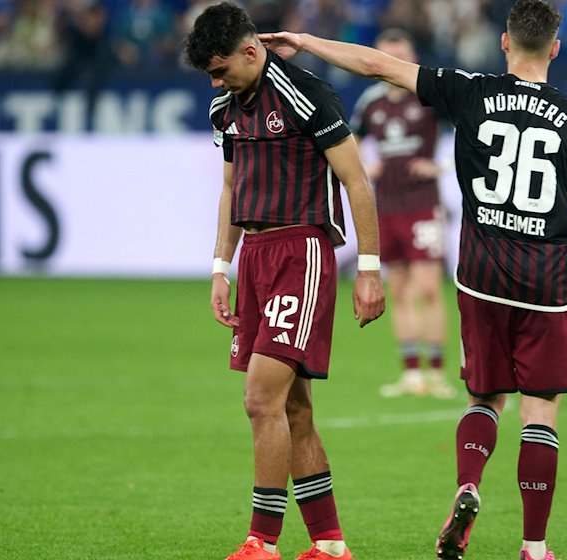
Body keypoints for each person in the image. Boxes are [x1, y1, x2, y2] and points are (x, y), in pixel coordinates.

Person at [260, 1, 567, 558]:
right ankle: (535, 547)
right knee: (540, 410)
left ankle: (468, 485)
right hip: (547, 282)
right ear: (554, 47)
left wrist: (307, 43)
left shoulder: (469, 90)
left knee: (483, 397)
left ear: (503, 43)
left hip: (480, 272)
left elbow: (378, 66)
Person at [184, 4, 386, 560]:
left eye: (221, 70)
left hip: (302, 251)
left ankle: (261, 541)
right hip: (253, 255)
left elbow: (356, 181)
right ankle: (329, 543)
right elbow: (231, 189)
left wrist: (369, 270)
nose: (216, 82)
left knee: (259, 400)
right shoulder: (225, 106)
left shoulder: (306, 94)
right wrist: (221, 268)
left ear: (253, 51)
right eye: (210, 75)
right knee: (294, 408)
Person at [350, 28, 455, 400]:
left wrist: (440, 166)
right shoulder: (371, 101)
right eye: (385, 56)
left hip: (423, 203)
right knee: (399, 289)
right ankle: (412, 374)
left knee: (428, 287)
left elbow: (471, 131)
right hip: (386, 204)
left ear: (410, 57)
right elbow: (349, 143)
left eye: (399, 55)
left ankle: (438, 373)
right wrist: (364, 167)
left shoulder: (428, 93)